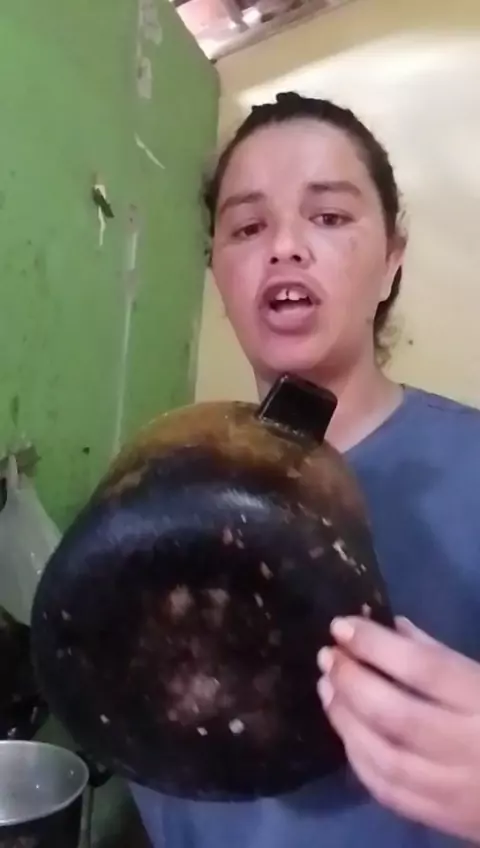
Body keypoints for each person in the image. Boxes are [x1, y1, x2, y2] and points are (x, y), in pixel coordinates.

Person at [131, 92, 480, 846]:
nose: (285, 246)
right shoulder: (167, 479)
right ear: (217, 272)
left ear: (391, 262)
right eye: (247, 227)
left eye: (328, 216)